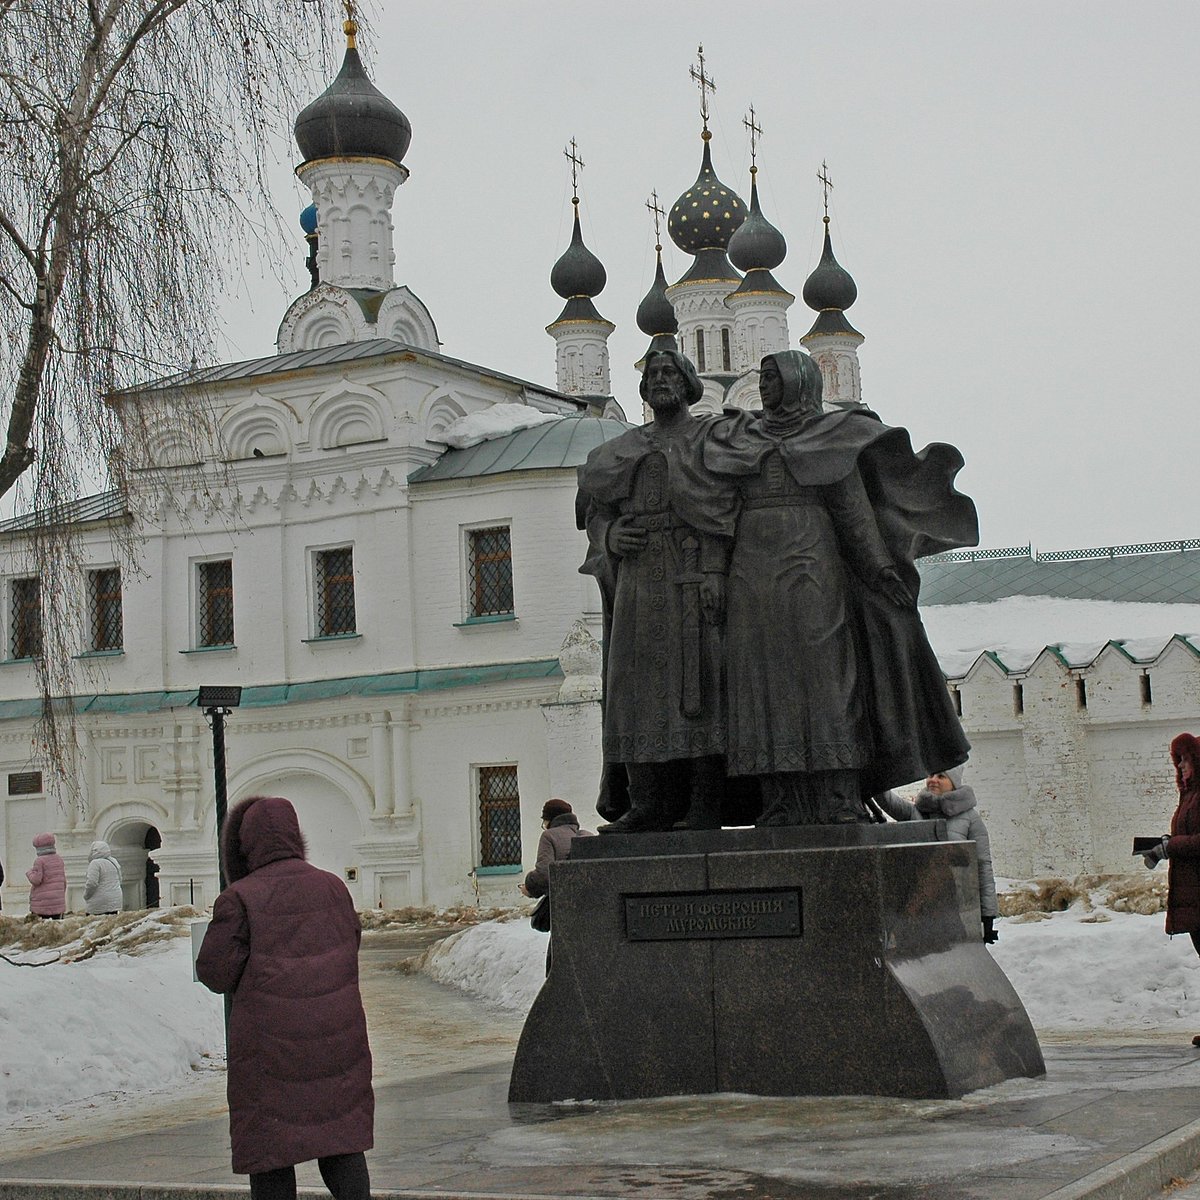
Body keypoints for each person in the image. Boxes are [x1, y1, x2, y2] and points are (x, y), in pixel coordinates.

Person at [705, 350, 977, 824]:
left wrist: (880, 570)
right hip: (751, 579)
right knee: (760, 684)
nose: (765, 386)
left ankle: (836, 794)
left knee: (828, 682)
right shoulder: (737, 438)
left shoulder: (831, 437)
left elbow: (853, 513)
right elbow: (715, 515)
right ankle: (778, 797)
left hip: (813, 572)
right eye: (763, 379)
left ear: (799, 382)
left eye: (773, 378)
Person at [576, 348, 738, 832]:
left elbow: (722, 508)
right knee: (635, 689)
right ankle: (647, 804)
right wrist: (608, 536)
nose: (661, 380)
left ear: (689, 383)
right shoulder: (620, 449)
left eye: (670, 372)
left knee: (702, 687)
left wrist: (714, 571)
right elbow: (598, 510)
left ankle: (706, 802)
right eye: (652, 374)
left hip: (691, 575)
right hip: (639, 582)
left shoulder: (708, 438)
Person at [196, 795, 373, 1200]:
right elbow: (350, 945)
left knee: (272, 1154)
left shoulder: (240, 898)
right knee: (341, 1141)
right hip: (336, 1044)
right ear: (295, 835)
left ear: (244, 846)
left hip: (269, 1055)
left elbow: (214, 971)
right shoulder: (333, 888)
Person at [875, 765, 999, 943]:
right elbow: (885, 799)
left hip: (953, 909)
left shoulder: (971, 819)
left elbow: (982, 867)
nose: (933, 779)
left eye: (941, 776)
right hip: (915, 910)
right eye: (931, 775)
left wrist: (987, 916)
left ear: (954, 783)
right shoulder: (914, 812)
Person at [518, 798, 595, 974]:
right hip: (589, 911)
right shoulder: (587, 836)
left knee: (558, 967)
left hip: (563, 910)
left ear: (549, 819)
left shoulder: (549, 836)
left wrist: (529, 886)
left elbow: (544, 875)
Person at [26, 832, 67, 918]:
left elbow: (36, 880)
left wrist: (29, 873)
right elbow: (63, 881)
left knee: (42, 929)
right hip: (57, 902)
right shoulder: (59, 859)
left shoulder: (40, 861)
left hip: (42, 904)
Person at [83, 839, 123, 915]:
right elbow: (120, 879)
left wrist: (86, 895)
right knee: (111, 924)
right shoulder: (114, 861)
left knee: (95, 924)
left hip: (99, 902)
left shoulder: (95, 863)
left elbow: (92, 883)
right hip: (115, 901)